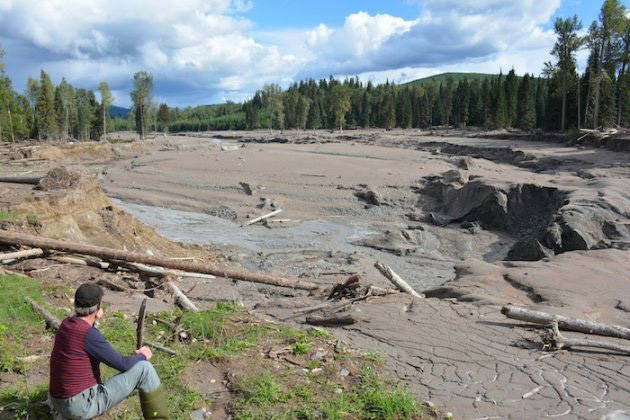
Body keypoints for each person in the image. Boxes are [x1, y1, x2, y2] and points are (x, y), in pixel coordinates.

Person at [48, 283, 169, 419]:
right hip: (78, 406)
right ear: (98, 308)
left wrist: (94, 318)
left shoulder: (66, 324)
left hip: (58, 401)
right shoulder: (88, 334)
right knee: (144, 369)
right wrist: (142, 356)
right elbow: (122, 363)